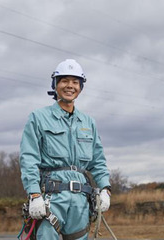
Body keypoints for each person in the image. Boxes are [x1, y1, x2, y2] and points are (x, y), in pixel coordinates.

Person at [19, 59, 111, 240]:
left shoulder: (88, 122)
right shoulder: (38, 118)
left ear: (81, 87)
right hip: (51, 198)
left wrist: (105, 189)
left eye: (75, 82)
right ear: (55, 85)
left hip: (81, 201)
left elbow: (98, 161)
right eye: (65, 81)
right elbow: (28, 158)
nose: (70, 86)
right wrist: (34, 193)